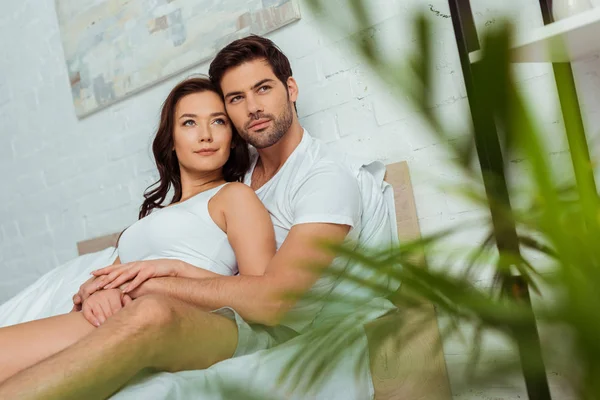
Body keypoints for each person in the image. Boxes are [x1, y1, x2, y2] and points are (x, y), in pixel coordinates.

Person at [0, 35, 396, 399]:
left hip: (244, 325)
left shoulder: (322, 178)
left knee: (150, 314)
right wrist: (97, 288)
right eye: (236, 99)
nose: (253, 107)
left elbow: (272, 301)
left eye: (263, 89)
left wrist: (162, 278)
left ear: (290, 89)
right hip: (180, 308)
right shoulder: (241, 177)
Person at [0, 77, 279, 383]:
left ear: (232, 137)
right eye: (189, 123)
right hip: (107, 316)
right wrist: (95, 294)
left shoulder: (234, 196)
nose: (206, 136)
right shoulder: (154, 216)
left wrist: (174, 271)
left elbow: (259, 296)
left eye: (218, 122)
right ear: (171, 140)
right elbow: (111, 277)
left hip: (162, 319)